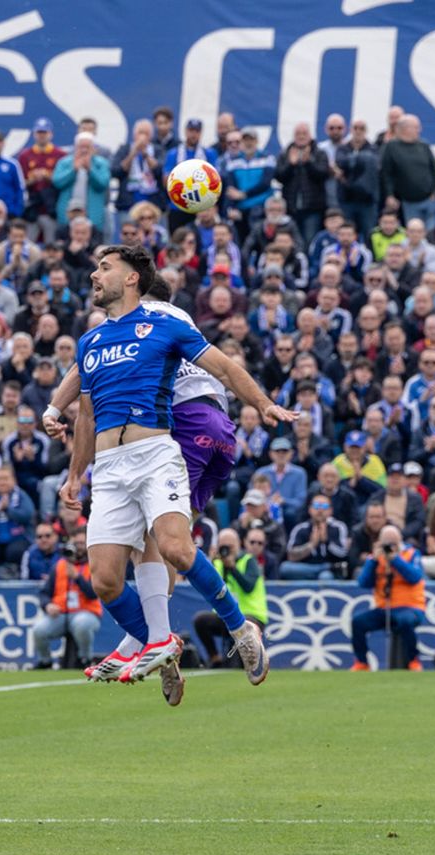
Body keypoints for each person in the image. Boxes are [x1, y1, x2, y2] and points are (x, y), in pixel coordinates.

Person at [58, 245, 289, 697]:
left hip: (160, 450)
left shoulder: (164, 322)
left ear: (131, 280)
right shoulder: (92, 341)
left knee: (174, 548)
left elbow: (223, 366)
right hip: (108, 468)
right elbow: (84, 415)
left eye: (104, 268)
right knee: (103, 579)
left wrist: (262, 403)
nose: (94, 275)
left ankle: (240, 630)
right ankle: (157, 641)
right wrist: (74, 472)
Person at [349, 521, 425, 671]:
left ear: (400, 541)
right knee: (358, 622)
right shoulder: (377, 558)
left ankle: (413, 660)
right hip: (384, 608)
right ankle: (362, 662)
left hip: (411, 607)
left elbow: (415, 577)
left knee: (405, 621)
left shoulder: (411, 554)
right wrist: (373, 561)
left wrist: (395, 559)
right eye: (387, 543)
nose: (390, 546)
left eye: (394, 542)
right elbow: (363, 583)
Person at [193, 528, 268, 670]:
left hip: (251, 615)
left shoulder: (248, 561)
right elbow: (207, 587)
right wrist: (210, 562)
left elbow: (248, 586)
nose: (226, 550)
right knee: (200, 620)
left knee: (242, 634)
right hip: (226, 615)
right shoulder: (217, 564)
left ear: (238, 545)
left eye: (230, 547)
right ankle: (215, 658)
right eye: (223, 547)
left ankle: (243, 664)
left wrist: (232, 568)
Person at [31, 528, 101, 670]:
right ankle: (45, 661)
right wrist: (48, 605)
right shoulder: (60, 565)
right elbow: (44, 593)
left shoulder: (94, 564)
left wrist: (77, 578)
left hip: (87, 612)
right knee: (38, 629)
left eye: (82, 543)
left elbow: (94, 593)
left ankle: (85, 659)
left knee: (82, 624)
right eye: (77, 543)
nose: (79, 546)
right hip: (61, 613)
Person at [280, 494, 351, 579]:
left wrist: (326, 541)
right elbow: (291, 556)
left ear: (330, 510)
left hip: (329, 572)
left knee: (325, 576)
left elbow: (343, 554)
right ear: (310, 509)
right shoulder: (300, 528)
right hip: (305, 568)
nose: (320, 510)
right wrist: (311, 545)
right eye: (316, 506)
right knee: (285, 568)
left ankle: (325, 568)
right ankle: (324, 567)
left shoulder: (338, 527)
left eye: (324, 506)